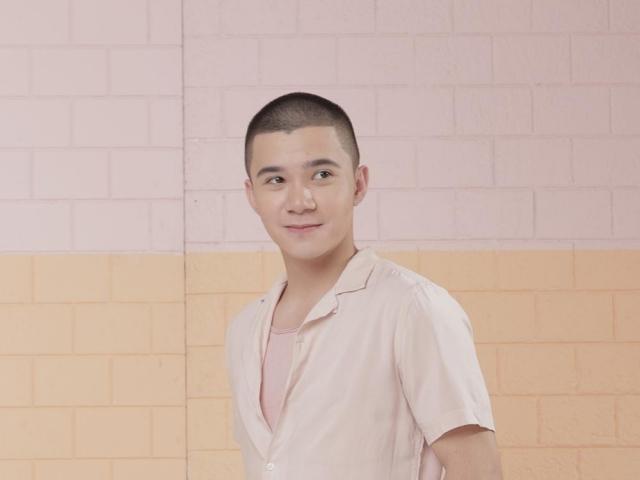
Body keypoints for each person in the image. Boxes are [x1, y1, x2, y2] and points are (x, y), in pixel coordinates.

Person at [224, 91, 502, 479]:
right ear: (252, 195)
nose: (300, 201)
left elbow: (478, 469)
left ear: (358, 184)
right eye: (276, 180)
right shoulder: (244, 330)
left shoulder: (413, 309)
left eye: (322, 175)